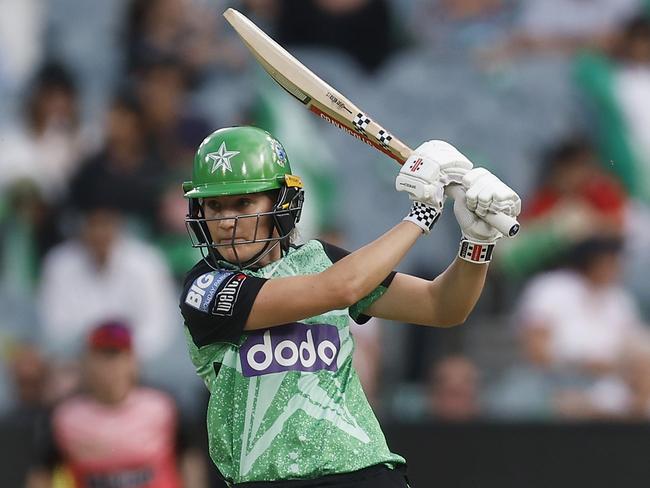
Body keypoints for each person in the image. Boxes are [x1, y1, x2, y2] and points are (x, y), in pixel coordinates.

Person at [179, 126, 520, 486]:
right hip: (270, 480)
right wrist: (420, 215)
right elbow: (339, 288)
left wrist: (477, 243)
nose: (226, 221)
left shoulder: (320, 258)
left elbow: (441, 307)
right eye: (214, 205)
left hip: (363, 471)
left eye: (243, 203)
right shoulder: (205, 288)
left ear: (280, 204)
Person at [26, 321, 208, 488]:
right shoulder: (64, 416)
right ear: (85, 363)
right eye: (102, 356)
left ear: (133, 361)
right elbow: (41, 473)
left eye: (117, 356)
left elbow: (190, 459)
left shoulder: (162, 406)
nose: (111, 367)